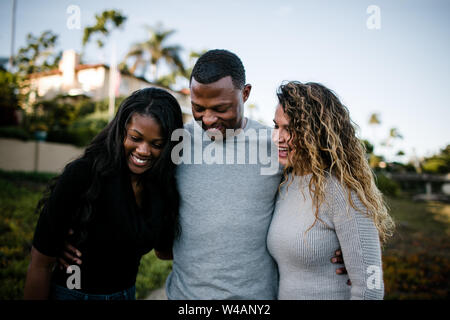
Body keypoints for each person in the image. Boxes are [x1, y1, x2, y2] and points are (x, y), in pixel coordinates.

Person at [58, 50, 348, 299]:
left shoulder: (275, 144)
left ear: (245, 93)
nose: (208, 119)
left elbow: (319, 192)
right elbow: (121, 183)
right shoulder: (175, 141)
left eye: (220, 109)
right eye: (198, 108)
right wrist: (66, 237)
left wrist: (341, 248)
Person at [24, 88, 183, 300]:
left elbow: (164, 251)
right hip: (74, 294)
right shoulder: (83, 174)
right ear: (120, 131)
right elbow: (40, 263)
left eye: (157, 144)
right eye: (135, 138)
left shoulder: (160, 185)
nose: (144, 151)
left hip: (125, 295)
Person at [267, 81, 395, 299]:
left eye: (290, 129)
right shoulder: (285, 181)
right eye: (276, 127)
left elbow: (370, 288)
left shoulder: (343, 190)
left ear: (315, 132)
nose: (278, 137)